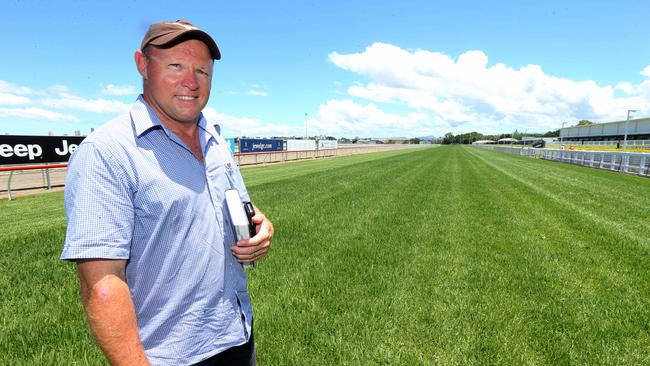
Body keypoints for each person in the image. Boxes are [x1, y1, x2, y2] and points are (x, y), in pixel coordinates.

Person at [61, 20, 273, 365]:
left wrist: (262, 228)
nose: (191, 82)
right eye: (175, 66)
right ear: (142, 65)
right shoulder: (107, 151)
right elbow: (102, 286)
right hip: (171, 356)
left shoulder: (215, 139)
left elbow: (239, 208)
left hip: (236, 334)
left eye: (202, 71)